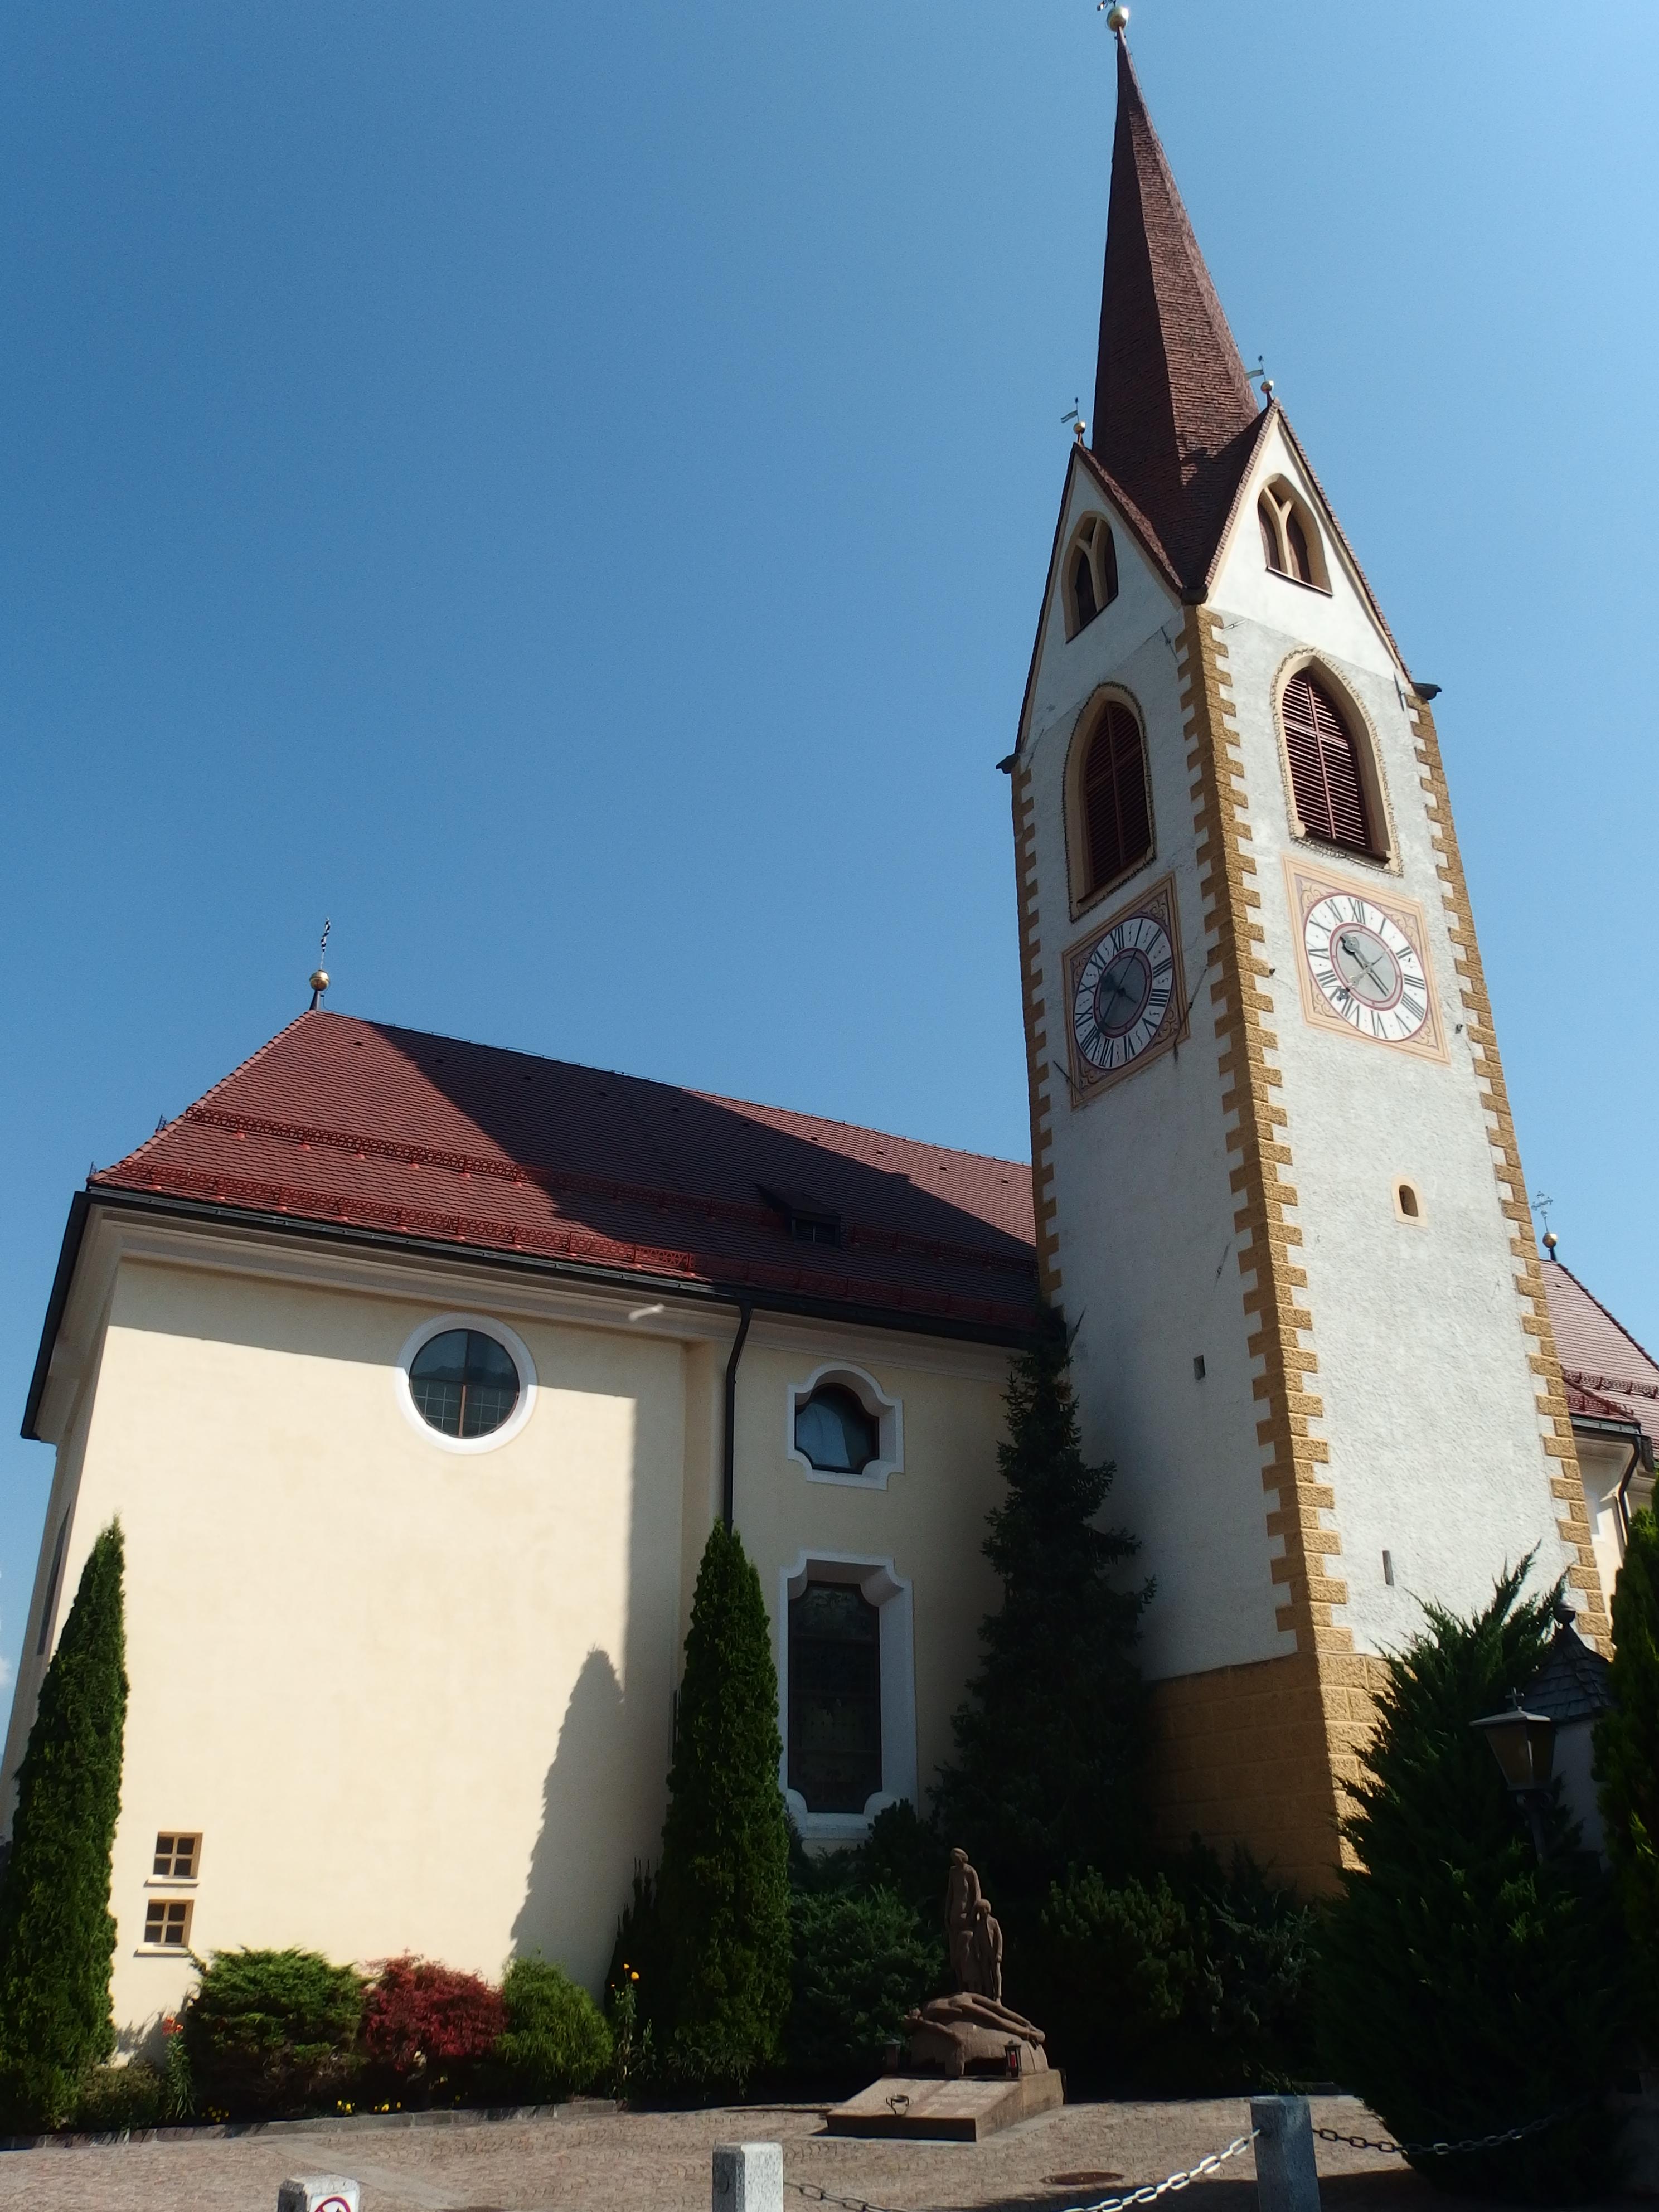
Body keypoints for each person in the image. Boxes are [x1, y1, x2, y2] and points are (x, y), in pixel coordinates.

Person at [944, 1846, 982, 1991]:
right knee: (956, 1956)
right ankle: (960, 1987)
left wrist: (973, 1915)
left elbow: (977, 1896)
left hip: (967, 1918)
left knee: (968, 1952)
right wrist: (946, 1914)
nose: (955, 1862)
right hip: (955, 1917)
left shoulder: (970, 1872)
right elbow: (950, 1895)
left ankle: (973, 1989)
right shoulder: (953, 1872)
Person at [971, 1898, 1003, 2004]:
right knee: (986, 1974)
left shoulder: (994, 1922)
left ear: (987, 1910)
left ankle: (998, 1995)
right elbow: (976, 1939)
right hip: (984, 1953)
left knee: (996, 1973)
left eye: (981, 1910)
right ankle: (989, 1995)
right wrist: (978, 1952)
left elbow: (999, 1938)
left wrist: (999, 1953)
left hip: (993, 1952)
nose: (980, 1913)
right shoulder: (978, 1925)